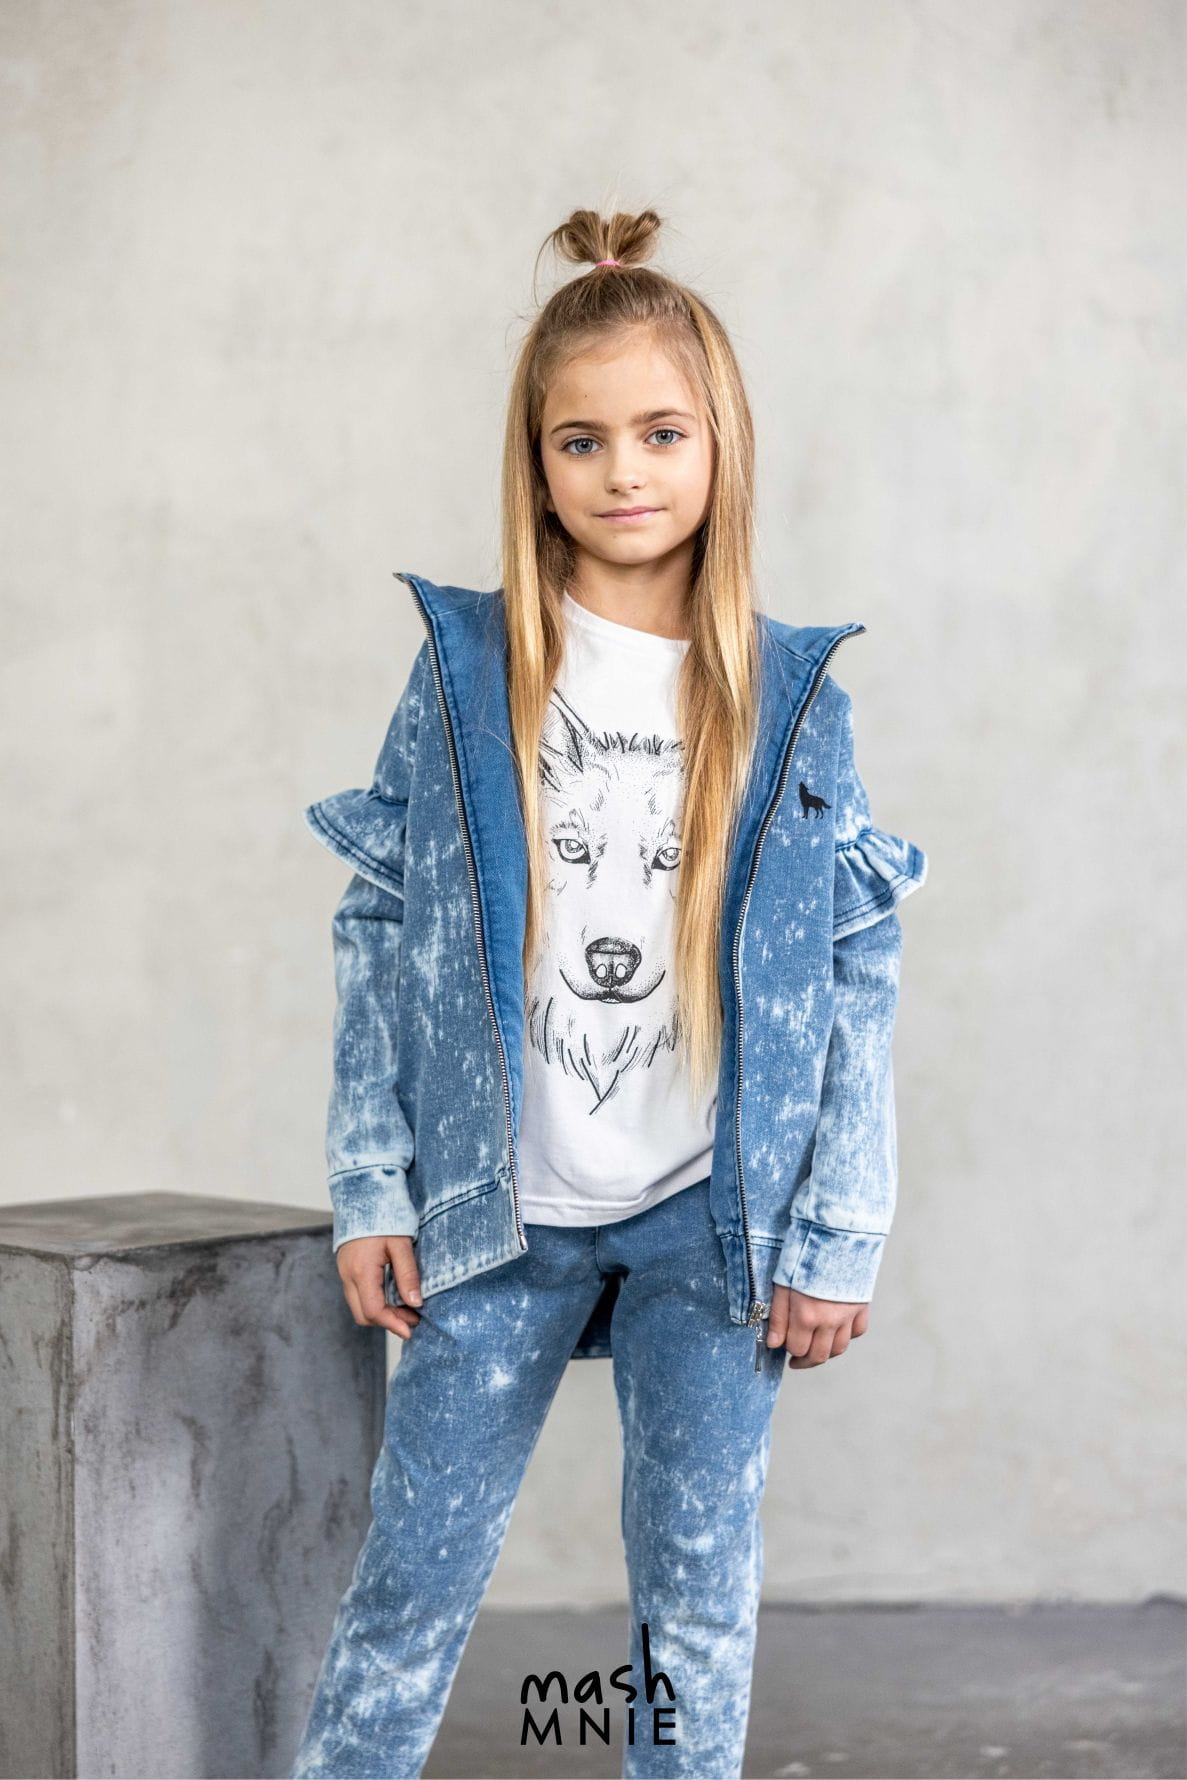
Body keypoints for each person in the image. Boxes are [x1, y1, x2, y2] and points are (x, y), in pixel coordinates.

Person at [291, 206, 928, 1780]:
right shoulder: (467, 675)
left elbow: (855, 975)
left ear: (720, 446)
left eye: (660, 433)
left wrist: (839, 1232)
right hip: (496, 1212)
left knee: (695, 1602)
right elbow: (380, 930)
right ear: (536, 464)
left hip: (713, 1218)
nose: (623, 472)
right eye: (581, 441)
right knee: (410, 1580)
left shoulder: (790, 699)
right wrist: (373, 1184)